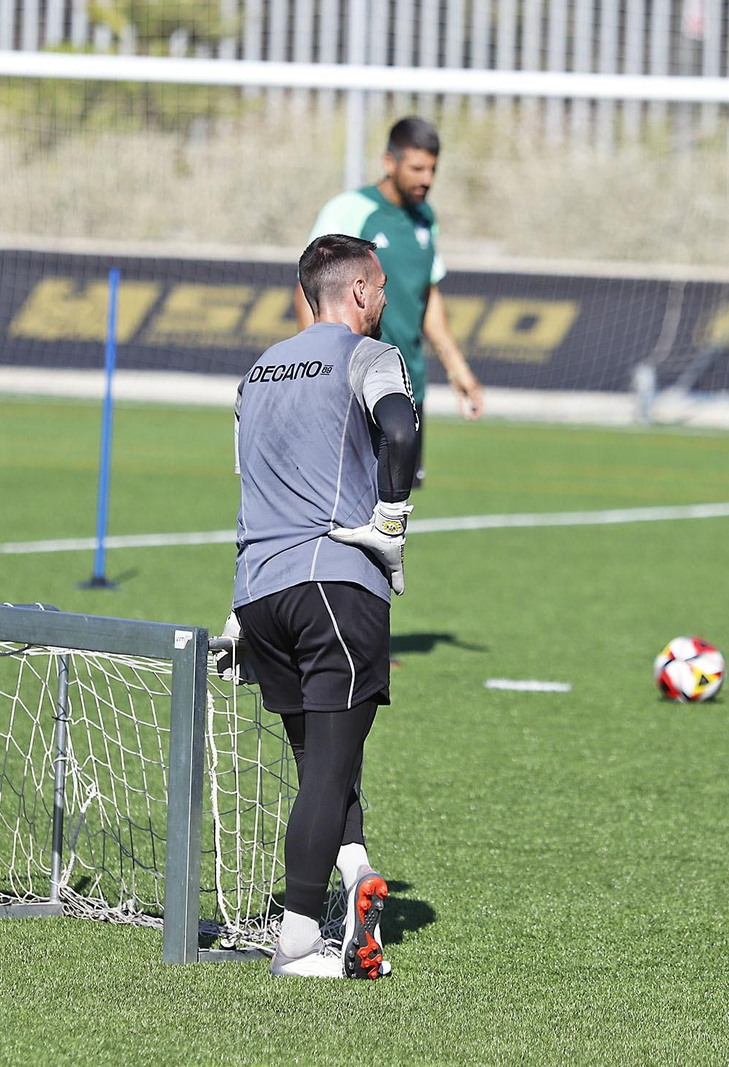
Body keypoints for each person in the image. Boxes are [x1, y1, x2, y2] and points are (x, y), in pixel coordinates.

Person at [231, 233, 419, 979]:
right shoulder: (369, 356)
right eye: (379, 289)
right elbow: (401, 429)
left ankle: (355, 874)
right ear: (359, 293)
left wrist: (235, 608)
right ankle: (300, 942)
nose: (383, 302)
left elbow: (245, 490)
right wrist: (391, 523)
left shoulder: (255, 372)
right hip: (336, 583)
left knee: (321, 763)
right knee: (327, 767)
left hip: (260, 593)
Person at [294, 116, 484, 487]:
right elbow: (308, 285)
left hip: (406, 384)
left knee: (395, 510)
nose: (426, 179)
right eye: (417, 168)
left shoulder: (426, 219)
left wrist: (457, 368)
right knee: (344, 500)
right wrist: (315, 364)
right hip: (352, 383)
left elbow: (426, 296)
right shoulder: (352, 209)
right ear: (389, 162)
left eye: (432, 169)